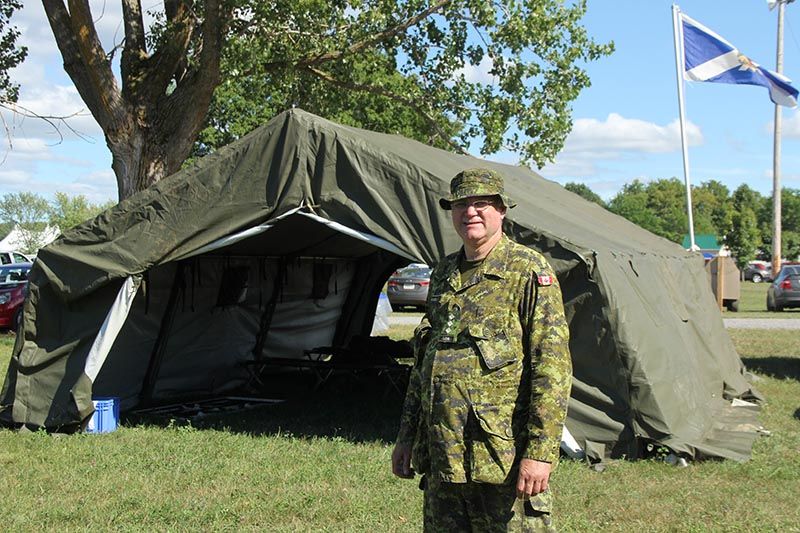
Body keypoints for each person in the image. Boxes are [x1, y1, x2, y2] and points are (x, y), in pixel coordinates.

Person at [391, 168, 572, 531]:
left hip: (501, 460)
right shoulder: (444, 274)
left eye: (481, 204)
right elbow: (425, 360)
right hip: (445, 458)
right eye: (461, 205)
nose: (470, 212)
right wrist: (407, 436)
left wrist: (540, 453)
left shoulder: (527, 271)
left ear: (501, 210)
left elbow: (552, 369)